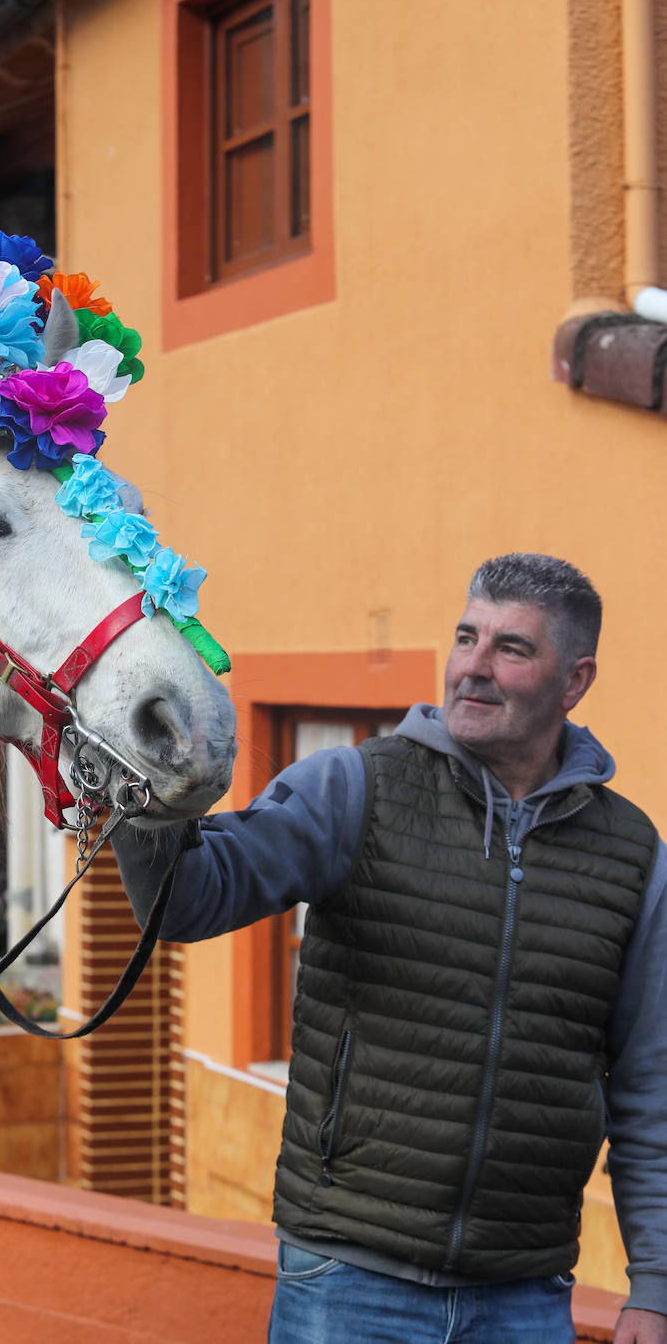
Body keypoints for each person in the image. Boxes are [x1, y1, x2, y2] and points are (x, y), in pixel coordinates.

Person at [113, 554, 667, 1344]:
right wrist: (140, 785)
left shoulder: (632, 855)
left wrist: (655, 1286)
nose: (473, 667)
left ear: (575, 682)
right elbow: (192, 898)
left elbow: (650, 1085)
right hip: (349, 1281)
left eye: (511, 648)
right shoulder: (357, 787)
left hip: (524, 1296)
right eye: (466, 636)